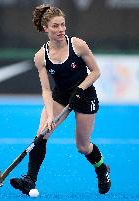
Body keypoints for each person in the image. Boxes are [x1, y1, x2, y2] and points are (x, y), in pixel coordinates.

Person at [10, 4, 111, 196]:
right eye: (55, 26)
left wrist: (81, 89)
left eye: (63, 25)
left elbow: (96, 71)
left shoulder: (77, 45)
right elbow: (46, 90)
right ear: (45, 28)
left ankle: (101, 169)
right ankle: (29, 180)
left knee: (82, 146)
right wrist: (49, 115)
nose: (61, 30)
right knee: (41, 134)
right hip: (61, 95)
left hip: (85, 95)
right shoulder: (41, 56)